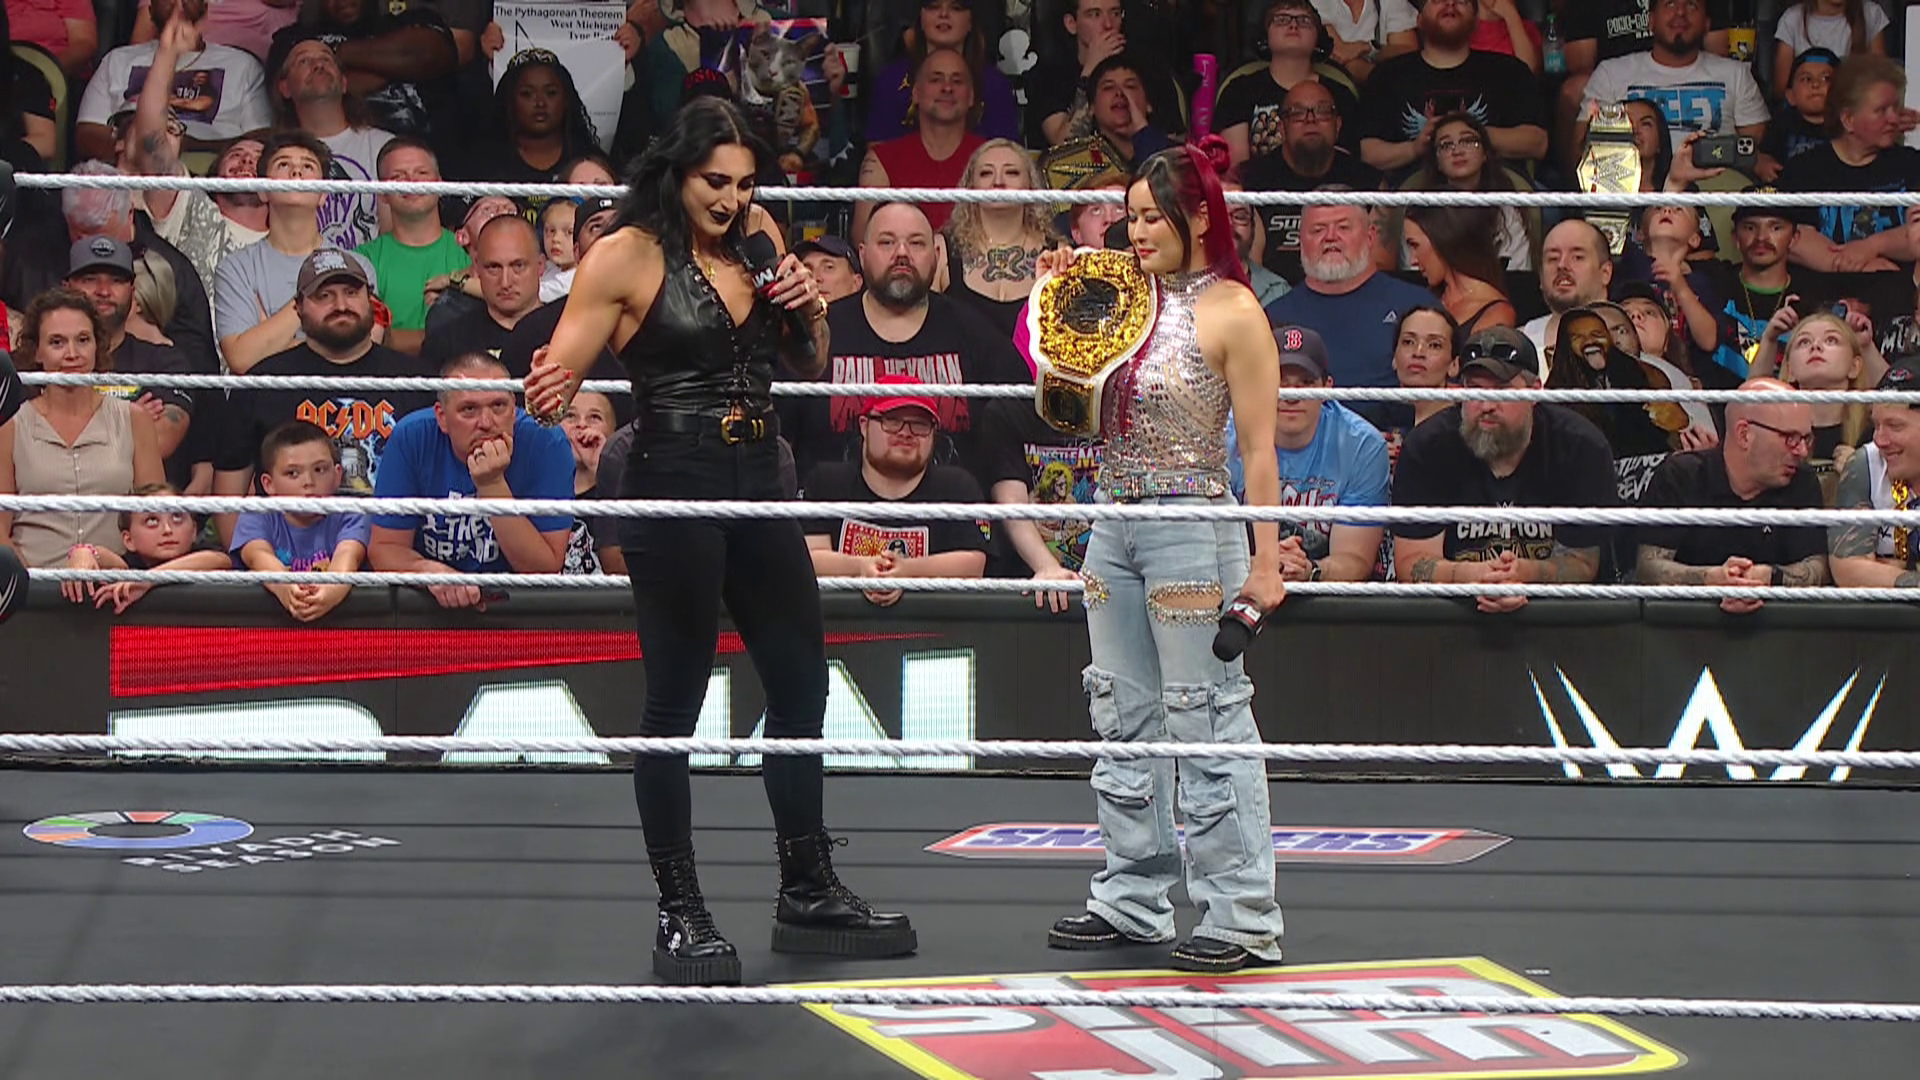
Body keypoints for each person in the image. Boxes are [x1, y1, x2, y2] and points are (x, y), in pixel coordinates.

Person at [524, 97, 915, 987]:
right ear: (676, 171)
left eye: (743, 183)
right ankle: (681, 911)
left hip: (762, 478)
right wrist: (549, 387)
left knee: (802, 686)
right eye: (715, 182)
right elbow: (562, 372)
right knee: (675, 707)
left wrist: (810, 307)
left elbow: (809, 360)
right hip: (674, 478)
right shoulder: (624, 254)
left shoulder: (759, 239)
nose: (731, 199)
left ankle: (807, 887)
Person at [1034, 138, 1287, 974]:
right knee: (1120, 715)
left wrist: (1266, 562)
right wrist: (1056, 292)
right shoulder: (1115, 293)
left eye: (1151, 217)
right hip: (1112, 520)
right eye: (1130, 217)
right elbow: (1060, 398)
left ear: (1199, 218)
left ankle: (1242, 916)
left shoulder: (1234, 310)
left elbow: (1259, 451)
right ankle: (1131, 900)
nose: (1136, 232)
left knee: (1206, 715)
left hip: (1193, 522)